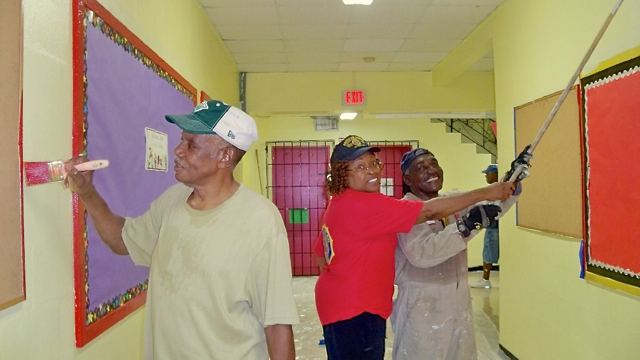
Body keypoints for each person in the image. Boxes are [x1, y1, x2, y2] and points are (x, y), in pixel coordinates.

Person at [65, 100, 299, 360]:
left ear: (225, 156)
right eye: (181, 140)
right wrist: (87, 192)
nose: (177, 150)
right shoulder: (172, 201)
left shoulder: (261, 220)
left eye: (192, 145)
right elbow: (122, 241)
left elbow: (277, 323)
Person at [312, 136, 517, 360]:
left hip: (343, 305)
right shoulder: (363, 204)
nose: (371, 171)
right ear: (343, 174)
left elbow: (322, 255)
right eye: (360, 167)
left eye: (373, 163)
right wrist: (487, 193)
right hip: (356, 310)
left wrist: (509, 185)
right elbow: (428, 213)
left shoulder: (341, 202)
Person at [391, 149, 523, 360]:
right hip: (422, 306)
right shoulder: (405, 211)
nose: (431, 170)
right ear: (408, 179)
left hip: (458, 301)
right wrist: (464, 227)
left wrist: (512, 181)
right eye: (422, 168)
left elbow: (490, 209)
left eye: (434, 164)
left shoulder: (452, 201)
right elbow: (422, 254)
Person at [470, 164, 500, 289]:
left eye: (488, 174)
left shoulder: (496, 190)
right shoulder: (495, 189)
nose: (486, 176)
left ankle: (485, 279)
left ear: (495, 174)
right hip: (494, 226)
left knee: (488, 252)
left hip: (494, 226)